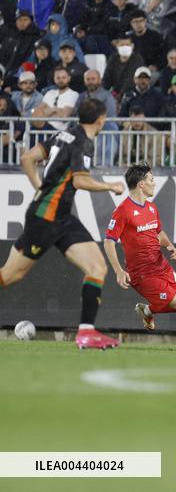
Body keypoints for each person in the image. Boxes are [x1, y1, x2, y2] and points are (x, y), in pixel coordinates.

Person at [0, 99, 125, 350]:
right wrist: (110, 186)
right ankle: (87, 333)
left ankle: (86, 333)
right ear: (101, 119)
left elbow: (27, 158)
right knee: (11, 275)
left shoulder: (65, 133)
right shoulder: (84, 142)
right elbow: (80, 181)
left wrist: (41, 189)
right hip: (44, 220)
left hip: (61, 217)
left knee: (97, 266)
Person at [104, 164, 176, 353]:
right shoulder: (123, 210)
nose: (154, 183)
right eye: (151, 179)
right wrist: (119, 270)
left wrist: (169, 245)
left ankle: (148, 311)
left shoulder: (151, 208)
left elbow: (157, 232)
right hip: (142, 274)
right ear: (141, 184)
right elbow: (109, 242)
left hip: (162, 267)